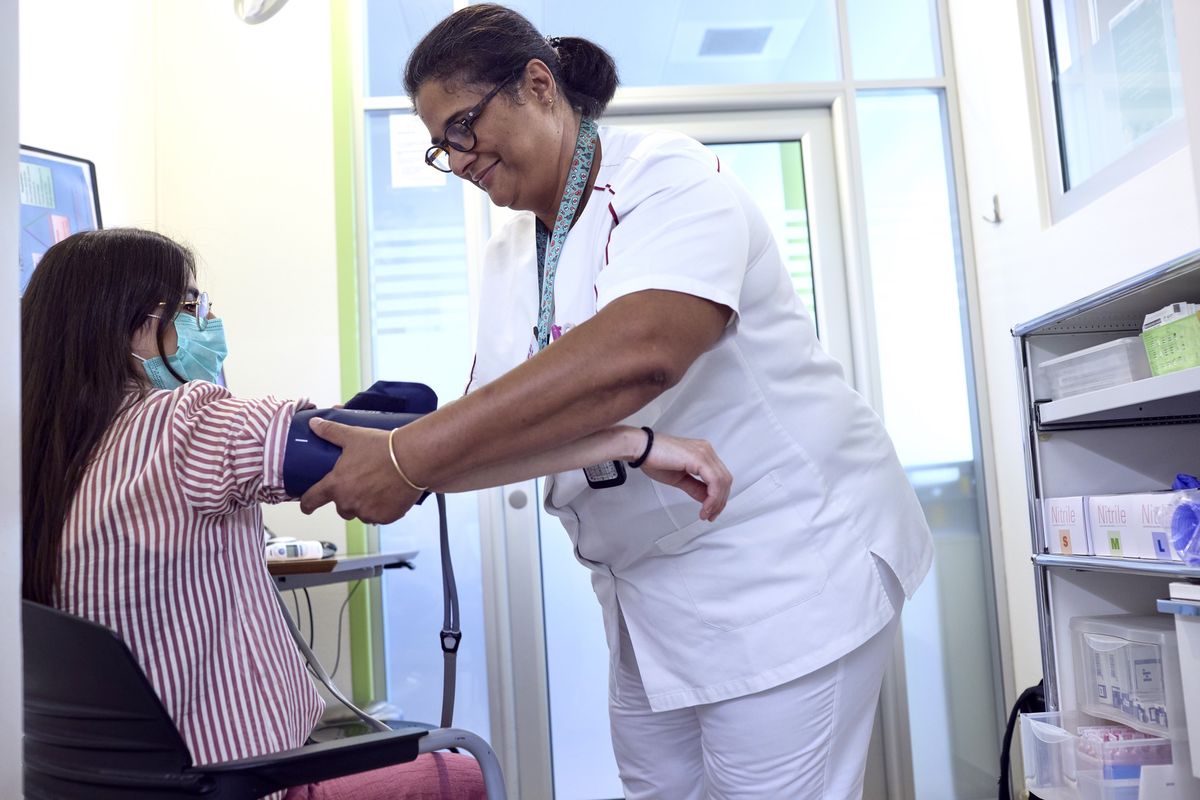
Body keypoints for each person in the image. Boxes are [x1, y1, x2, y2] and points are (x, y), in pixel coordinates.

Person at [298, 6, 934, 799]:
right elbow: (494, 430)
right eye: (441, 145)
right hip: (644, 593)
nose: (457, 159)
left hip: (779, 566)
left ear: (537, 86)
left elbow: (642, 353)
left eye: (463, 126)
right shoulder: (507, 258)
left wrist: (409, 458)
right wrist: (377, 447)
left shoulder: (665, 176)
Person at [20, 228, 730, 799]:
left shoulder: (33, 458)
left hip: (116, 784)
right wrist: (631, 441)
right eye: (192, 307)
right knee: (462, 771)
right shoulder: (183, 423)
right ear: (136, 331)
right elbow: (414, 459)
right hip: (248, 778)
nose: (208, 323)